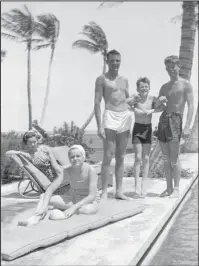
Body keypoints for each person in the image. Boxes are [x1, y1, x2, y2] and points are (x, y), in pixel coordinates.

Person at [6, 132, 99, 226]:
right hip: (58, 181)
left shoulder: (45, 149)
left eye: (35, 141)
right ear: (26, 143)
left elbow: (55, 165)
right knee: (44, 196)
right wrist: (17, 152)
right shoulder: (28, 154)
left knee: (86, 208)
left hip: (61, 174)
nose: (33, 144)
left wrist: (63, 174)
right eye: (30, 142)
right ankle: (35, 218)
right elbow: (9, 153)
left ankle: (57, 212)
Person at [94, 49, 137, 200]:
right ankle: (104, 191)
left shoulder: (124, 79)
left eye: (117, 60)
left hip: (124, 117)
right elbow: (97, 103)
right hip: (110, 117)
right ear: (107, 61)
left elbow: (127, 99)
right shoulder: (102, 79)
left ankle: (119, 191)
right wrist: (99, 126)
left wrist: (138, 101)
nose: (115, 63)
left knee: (121, 156)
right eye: (112, 60)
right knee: (107, 156)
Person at [156, 55, 194, 198]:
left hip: (176, 120)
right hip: (164, 120)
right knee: (166, 158)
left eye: (173, 67)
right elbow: (158, 107)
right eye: (168, 68)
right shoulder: (164, 87)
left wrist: (187, 127)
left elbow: (191, 106)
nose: (171, 70)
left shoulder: (185, 84)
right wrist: (159, 101)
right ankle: (169, 188)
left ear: (179, 67)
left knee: (174, 157)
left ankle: (177, 188)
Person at [127, 77, 165, 198]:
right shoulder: (136, 97)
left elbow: (162, 107)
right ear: (138, 88)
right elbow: (125, 105)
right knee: (138, 157)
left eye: (146, 86)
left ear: (149, 88)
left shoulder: (152, 98)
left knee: (146, 158)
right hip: (138, 128)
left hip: (148, 129)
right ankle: (137, 186)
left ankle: (144, 185)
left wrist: (151, 111)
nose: (144, 88)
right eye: (141, 86)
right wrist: (134, 108)